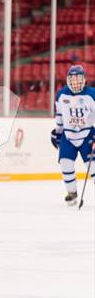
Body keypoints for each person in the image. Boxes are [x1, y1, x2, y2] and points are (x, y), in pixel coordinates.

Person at [51, 65, 95, 206]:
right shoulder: (61, 95)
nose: (76, 82)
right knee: (65, 164)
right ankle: (72, 192)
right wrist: (57, 133)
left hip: (87, 134)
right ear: (68, 80)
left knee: (93, 167)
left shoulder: (92, 94)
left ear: (84, 79)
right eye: (73, 79)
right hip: (68, 136)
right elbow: (59, 117)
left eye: (78, 78)